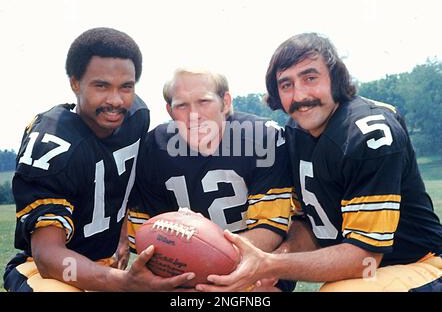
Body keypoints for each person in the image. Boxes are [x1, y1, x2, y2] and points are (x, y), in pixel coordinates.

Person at [195, 33, 442, 292]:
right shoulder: (294, 134)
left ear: (336, 79)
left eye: (310, 78)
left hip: (420, 264)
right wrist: (272, 264)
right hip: (370, 274)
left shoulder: (367, 133)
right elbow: (310, 225)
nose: (300, 95)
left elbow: (365, 258)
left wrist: (271, 265)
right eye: (286, 85)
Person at [3, 27, 194, 292]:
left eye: (125, 87)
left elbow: (125, 181)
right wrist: (121, 282)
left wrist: (123, 238)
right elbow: (48, 255)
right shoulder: (52, 143)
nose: (115, 100)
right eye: (101, 86)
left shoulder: (137, 116)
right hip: (47, 271)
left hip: (105, 267)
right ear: (75, 83)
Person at [127, 68, 294, 291]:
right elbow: (150, 235)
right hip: (185, 274)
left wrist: (223, 263)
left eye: (203, 101)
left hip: (256, 268)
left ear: (225, 102)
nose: (194, 115)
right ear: (169, 110)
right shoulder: (154, 147)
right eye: (181, 105)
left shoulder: (262, 139)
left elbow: (270, 228)